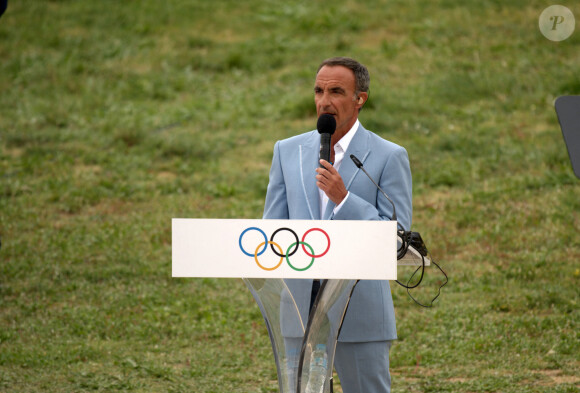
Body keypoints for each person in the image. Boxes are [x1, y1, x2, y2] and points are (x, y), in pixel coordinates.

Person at [263, 57, 412, 393]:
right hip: (298, 310)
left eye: (336, 91)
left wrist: (344, 200)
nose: (324, 100)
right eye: (318, 90)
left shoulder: (388, 156)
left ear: (360, 98)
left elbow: (397, 236)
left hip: (359, 312)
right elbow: (272, 229)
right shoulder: (287, 151)